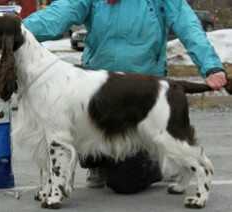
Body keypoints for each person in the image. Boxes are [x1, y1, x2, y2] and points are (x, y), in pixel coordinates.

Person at [23, 0, 227, 194]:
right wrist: (17, 28)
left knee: (126, 182)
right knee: (71, 125)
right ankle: (98, 161)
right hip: (97, 91)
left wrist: (211, 66)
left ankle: (153, 161)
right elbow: (56, 16)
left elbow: (189, 27)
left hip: (142, 95)